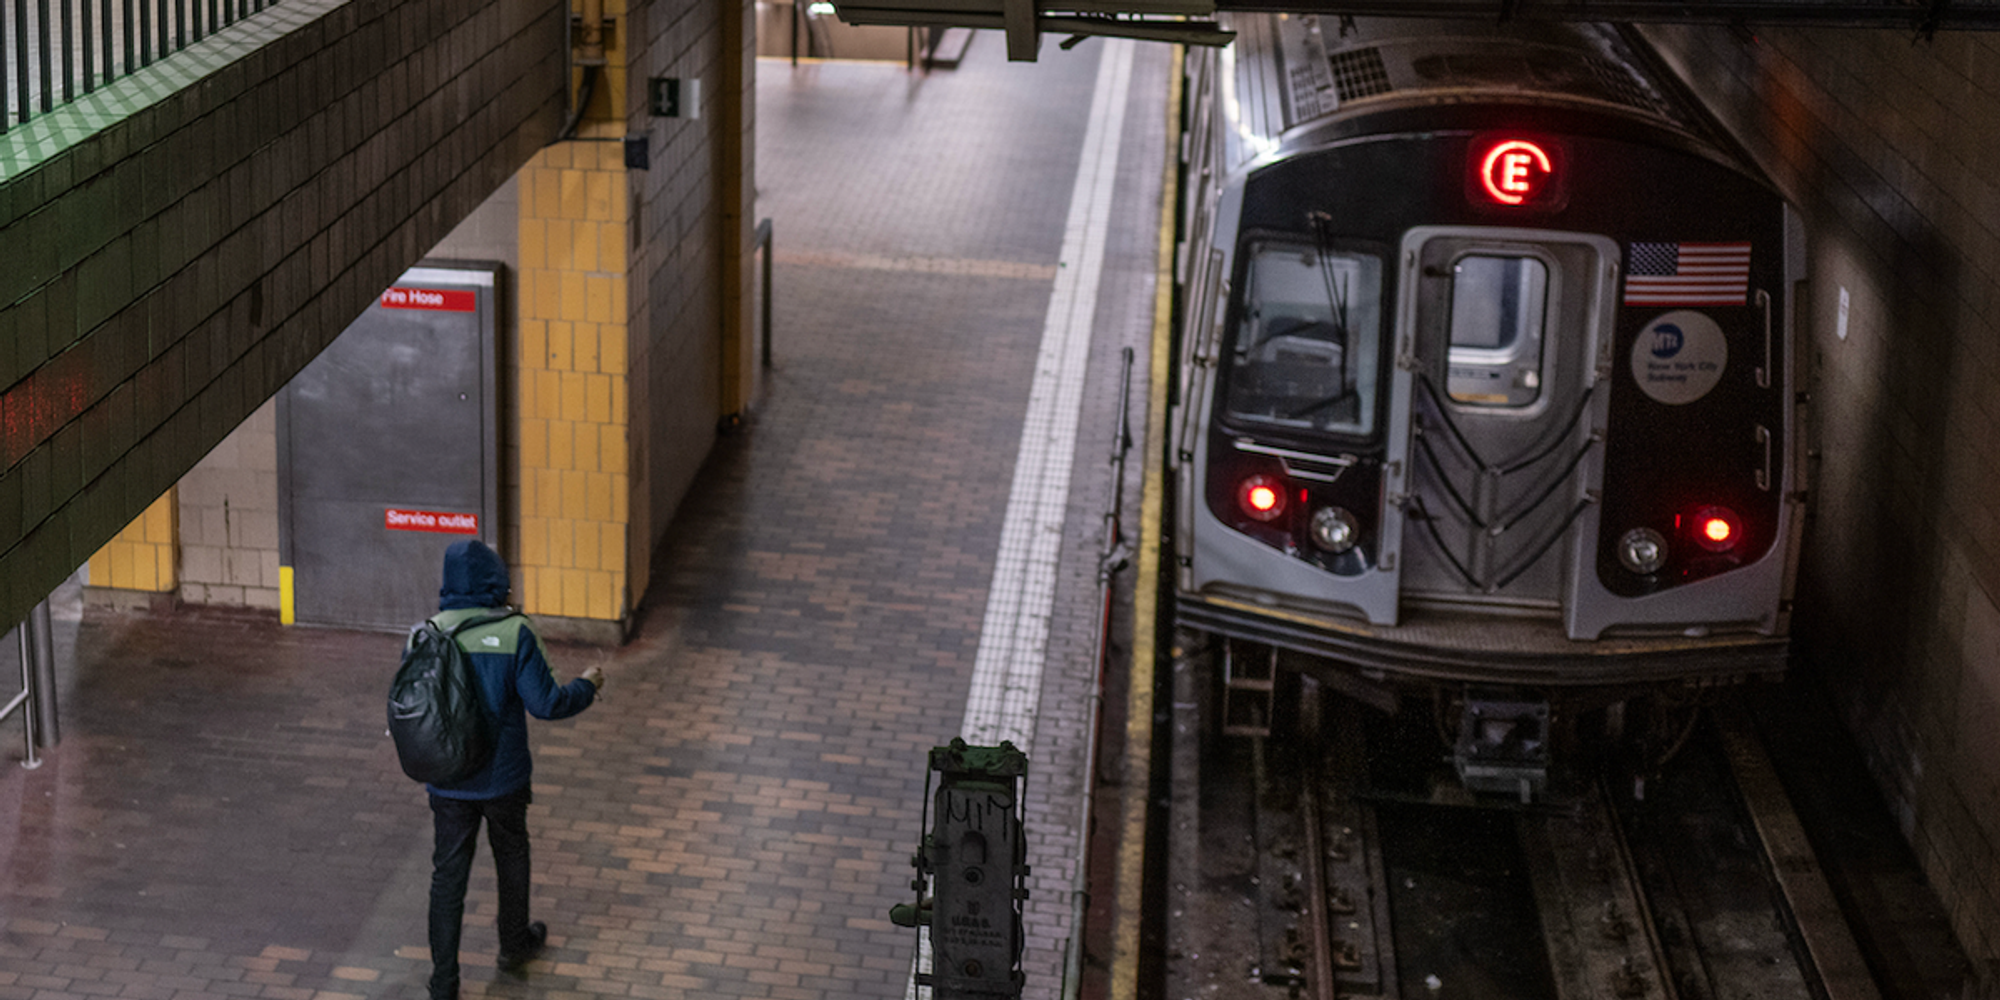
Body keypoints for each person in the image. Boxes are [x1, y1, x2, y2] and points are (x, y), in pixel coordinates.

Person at [420, 539, 603, 1000]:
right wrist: (588, 685)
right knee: (511, 858)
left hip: (448, 777)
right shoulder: (513, 631)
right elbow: (546, 704)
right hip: (503, 779)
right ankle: (513, 946)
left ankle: (443, 983)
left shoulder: (426, 633)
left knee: (448, 877)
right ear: (494, 579)